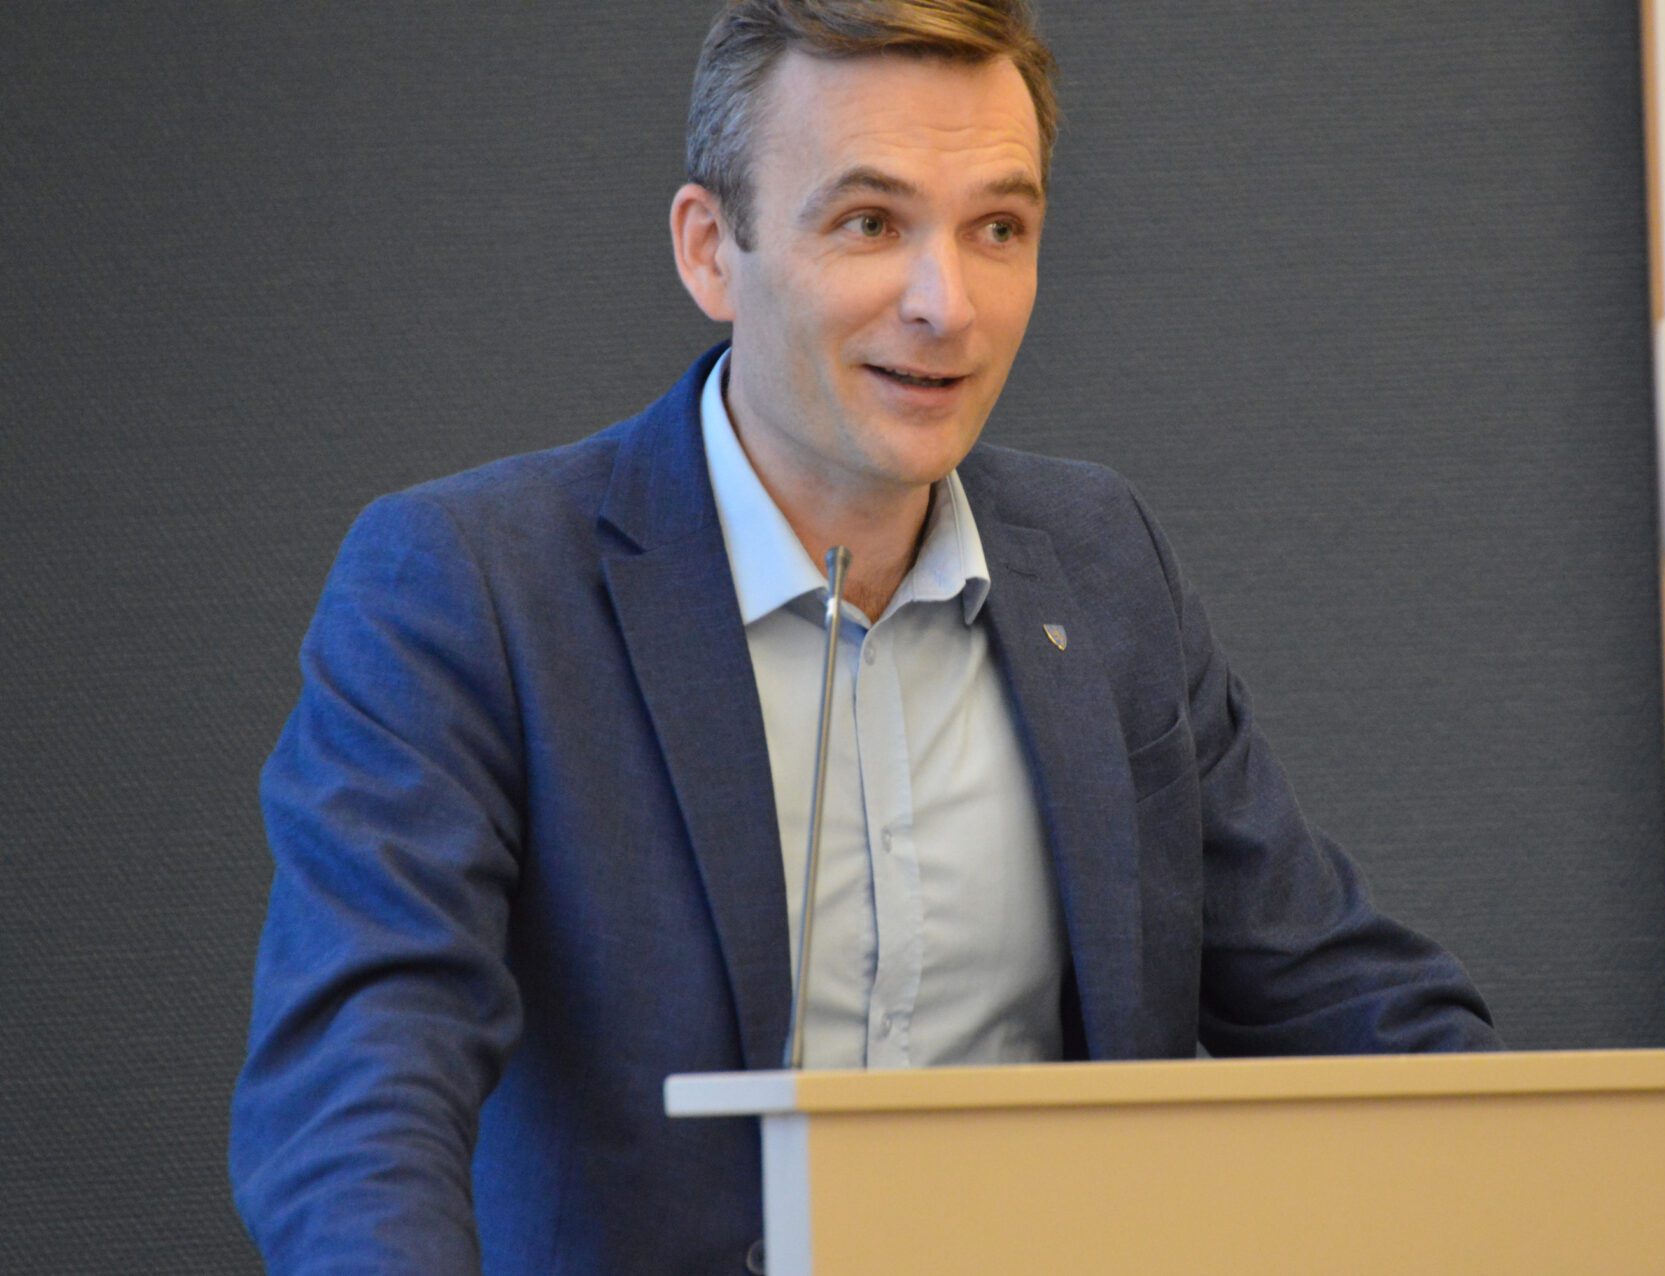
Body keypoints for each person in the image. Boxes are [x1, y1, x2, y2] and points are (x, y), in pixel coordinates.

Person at [231, 1, 1499, 1271]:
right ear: (710, 251)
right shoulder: (472, 587)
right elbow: (357, 1099)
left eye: (997, 229)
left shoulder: (1103, 564)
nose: (947, 305)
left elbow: (1350, 1004)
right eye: (870, 224)